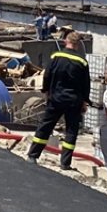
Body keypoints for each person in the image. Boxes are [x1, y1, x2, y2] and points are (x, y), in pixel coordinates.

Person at [27, 31, 92, 169]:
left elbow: (47, 76)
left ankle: (33, 155)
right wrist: (85, 101)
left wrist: (46, 91)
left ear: (65, 42)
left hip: (56, 98)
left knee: (46, 126)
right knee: (71, 131)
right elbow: (86, 85)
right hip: (74, 101)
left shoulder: (56, 57)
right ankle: (65, 163)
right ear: (78, 45)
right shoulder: (82, 62)